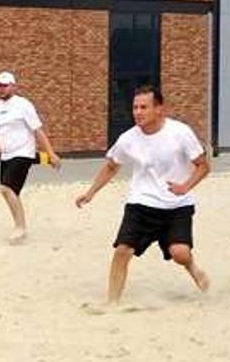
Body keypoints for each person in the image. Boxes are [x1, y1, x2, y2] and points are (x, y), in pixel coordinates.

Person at [75, 85, 211, 305]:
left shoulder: (180, 132)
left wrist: (185, 186)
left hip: (177, 205)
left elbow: (203, 166)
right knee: (122, 250)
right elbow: (111, 166)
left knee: (180, 253)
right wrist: (90, 193)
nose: (138, 112)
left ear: (159, 109)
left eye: (144, 107)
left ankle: (192, 267)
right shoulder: (128, 138)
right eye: (135, 107)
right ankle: (112, 302)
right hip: (142, 202)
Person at [0, 70, 61, 243]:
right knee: (10, 192)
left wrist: (51, 154)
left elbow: (38, 131)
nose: (1, 88)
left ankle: (20, 227)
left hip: (23, 153)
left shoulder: (24, 105)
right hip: (6, 155)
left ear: (13, 86)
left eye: (5, 85)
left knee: (6, 189)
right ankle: (19, 225)